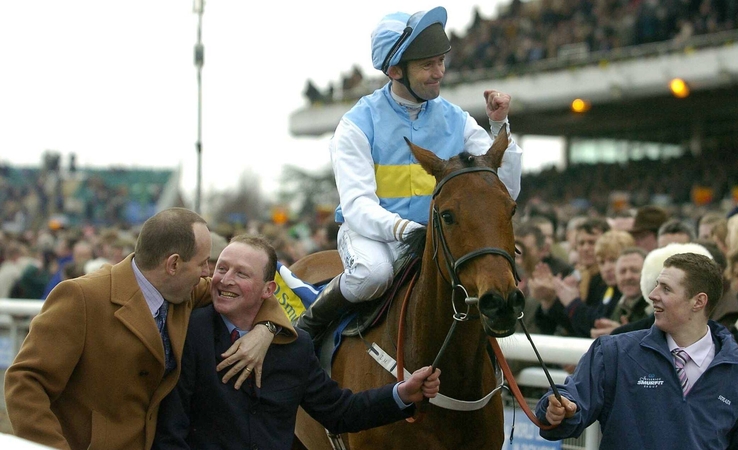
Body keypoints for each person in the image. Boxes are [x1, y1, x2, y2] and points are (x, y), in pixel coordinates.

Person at [297, 6, 522, 341]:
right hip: (374, 237)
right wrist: (405, 230)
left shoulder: (456, 119)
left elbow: (505, 188)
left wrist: (499, 124)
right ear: (394, 70)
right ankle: (307, 331)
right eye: (427, 65)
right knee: (373, 275)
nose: (439, 72)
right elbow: (358, 206)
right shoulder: (356, 125)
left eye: (441, 61)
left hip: (439, 238)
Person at [4, 208, 295, 450]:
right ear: (173, 264)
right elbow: (25, 383)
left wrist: (266, 329)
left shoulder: (185, 290)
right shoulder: (81, 297)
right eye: (203, 263)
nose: (209, 273)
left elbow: (255, 295)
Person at [154, 234, 441, 449]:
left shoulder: (295, 346)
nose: (225, 280)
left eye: (241, 273)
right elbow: (171, 431)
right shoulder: (189, 333)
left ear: (268, 290)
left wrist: (403, 393)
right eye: (222, 269)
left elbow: (341, 412)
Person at [536, 253, 738, 449]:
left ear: (698, 302)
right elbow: (569, 401)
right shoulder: (613, 352)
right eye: (657, 285)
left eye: (666, 289)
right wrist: (556, 409)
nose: (653, 295)